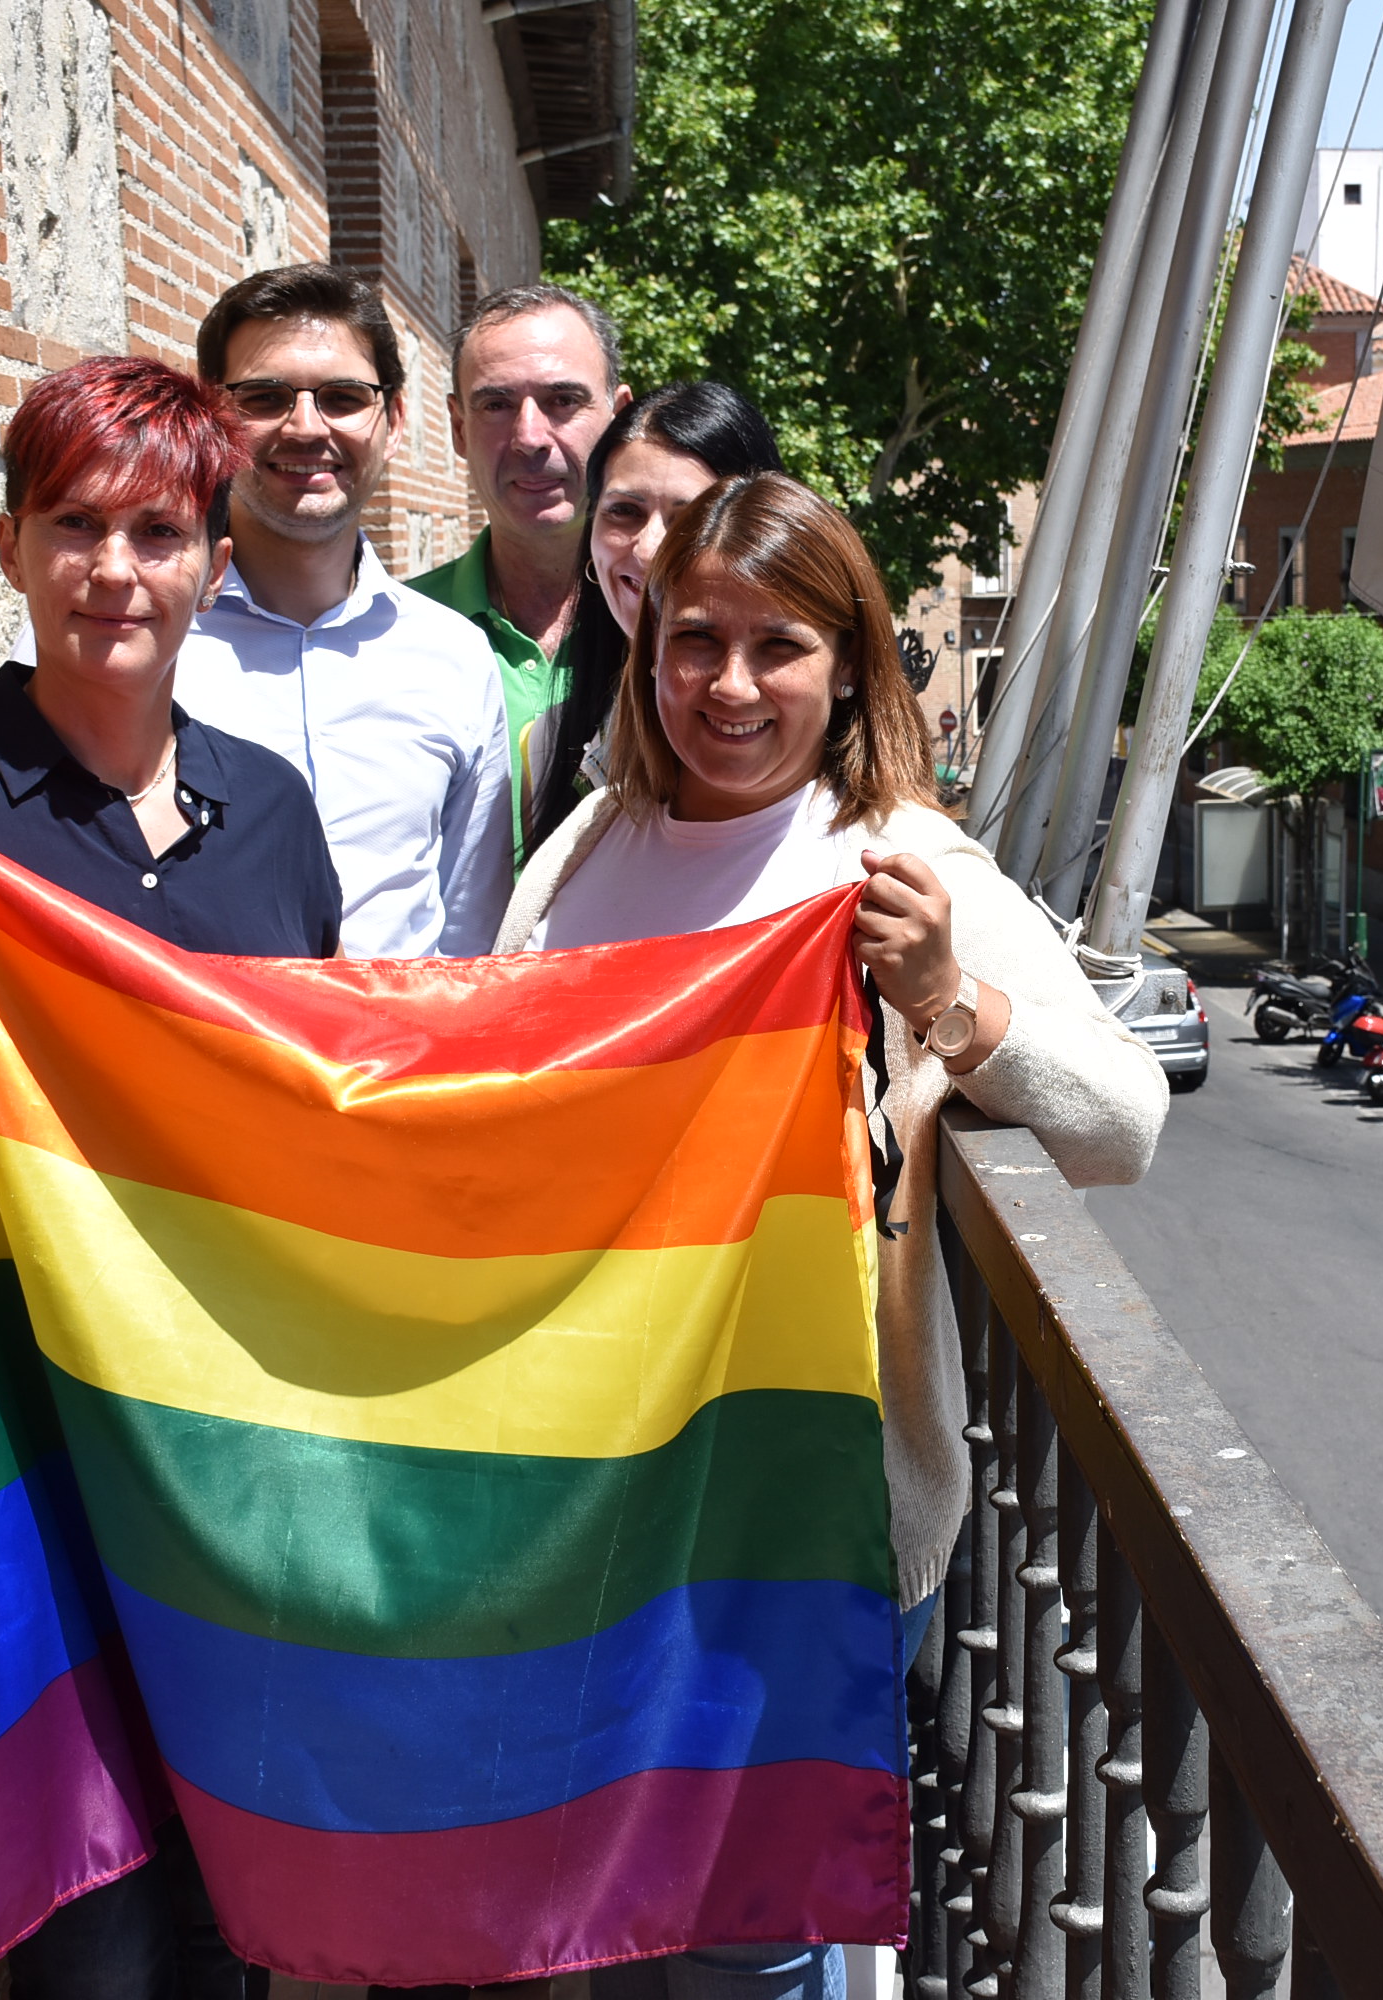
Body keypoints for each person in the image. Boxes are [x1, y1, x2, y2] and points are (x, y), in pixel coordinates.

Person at [500, 473, 1166, 1999]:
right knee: (596, 1898)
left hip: (808, 1515)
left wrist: (950, 998)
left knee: (754, 1935)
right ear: (647, 649)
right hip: (591, 1500)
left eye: (778, 645)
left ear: (851, 665)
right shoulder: (587, 854)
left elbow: (1125, 1125)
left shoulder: (894, 867)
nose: (729, 685)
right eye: (694, 640)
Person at [0, 355, 333, 1997]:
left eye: (159, 532)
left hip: (245, 1457)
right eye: (75, 526)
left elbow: (318, 1119)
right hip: (29, 1470)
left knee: (256, 1909)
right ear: (11, 546)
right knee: (91, 1937)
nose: (117, 569)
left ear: (216, 564)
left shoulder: (276, 818)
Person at [0, 266, 513, 957]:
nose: (305, 426)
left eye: (344, 397)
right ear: (213, 416)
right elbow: (2, 818)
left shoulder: (454, 657)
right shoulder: (115, 631)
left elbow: (469, 934)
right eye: (264, 396)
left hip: (396, 1058)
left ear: (396, 420)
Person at [411, 282, 630, 845]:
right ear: (459, 428)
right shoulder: (389, 636)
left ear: (620, 419)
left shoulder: (684, 629)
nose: (531, 437)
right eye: (496, 404)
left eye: (563, 400)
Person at [526, 380, 784, 849]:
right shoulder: (551, 740)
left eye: (691, 520)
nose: (648, 550)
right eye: (624, 511)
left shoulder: (792, 729)